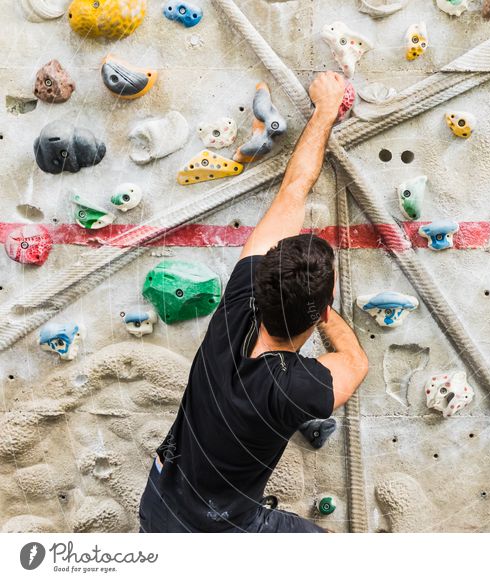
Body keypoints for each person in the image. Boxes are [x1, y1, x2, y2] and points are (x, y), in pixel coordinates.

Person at [138, 72, 369, 533]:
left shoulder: (237, 304)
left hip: (161, 505)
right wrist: (326, 312)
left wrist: (323, 110)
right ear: (323, 311)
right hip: (220, 530)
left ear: (262, 279)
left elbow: (293, 189)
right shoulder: (295, 388)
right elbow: (355, 362)